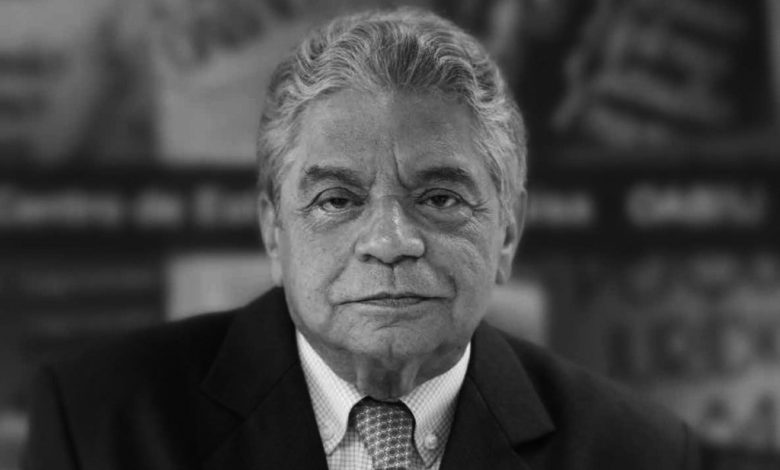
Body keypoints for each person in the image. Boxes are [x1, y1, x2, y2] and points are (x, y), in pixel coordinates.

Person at [24, 8, 700, 470]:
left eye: (440, 198)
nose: (390, 241)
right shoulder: (99, 426)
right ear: (273, 230)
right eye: (337, 200)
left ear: (508, 232)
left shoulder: (639, 452)